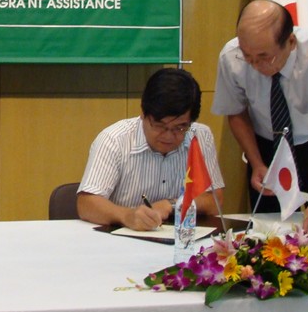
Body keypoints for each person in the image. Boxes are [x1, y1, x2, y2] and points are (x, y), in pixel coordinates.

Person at [211, 0, 308, 239]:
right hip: (267, 148)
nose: (255, 65)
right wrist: (256, 161)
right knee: (268, 233)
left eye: (264, 57)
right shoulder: (231, 56)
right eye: (248, 56)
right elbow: (235, 112)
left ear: (290, 42)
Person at [77, 68, 225, 230]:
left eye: (180, 128)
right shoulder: (114, 140)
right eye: (160, 125)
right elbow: (86, 204)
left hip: (179, 239)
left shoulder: (200, 136)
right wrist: (127, 216)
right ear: (143, 114)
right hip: (123, 239)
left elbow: (214, 201)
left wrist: (172, 205)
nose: (168, 136)